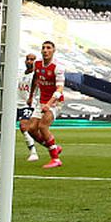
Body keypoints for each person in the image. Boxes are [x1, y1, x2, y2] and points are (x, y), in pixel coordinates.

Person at [31, 40, 65, 169]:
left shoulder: (58, 67)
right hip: (41, 101)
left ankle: (55, 159)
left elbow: (60, 89)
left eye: (48, 48)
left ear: (53, 51)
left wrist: (49, 104)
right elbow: (35, 79)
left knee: (43, 126)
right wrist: (31, 96)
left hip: (55, 102)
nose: (45, 50)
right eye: (43, 48)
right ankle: (54, 148)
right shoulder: (37, 64)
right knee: (31, 129)